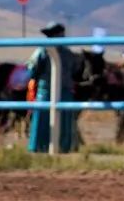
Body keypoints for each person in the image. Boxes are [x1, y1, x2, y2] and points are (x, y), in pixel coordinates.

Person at [27, 21, 79, 153]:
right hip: (63, 91)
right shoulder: (68, 53)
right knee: (64, 120)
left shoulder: (42, 50)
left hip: (46, 90)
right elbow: (76, 71)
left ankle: (39, 147)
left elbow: (32, 69)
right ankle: (63, 147)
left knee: (43, 118)